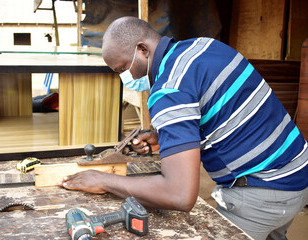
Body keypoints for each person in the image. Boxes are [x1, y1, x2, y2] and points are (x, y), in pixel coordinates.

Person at [58, 16, 308, 240]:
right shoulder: (205, 46)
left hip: (264, 192)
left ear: (143, 50)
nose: (128, 77)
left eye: (123, 68)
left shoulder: (168, 89)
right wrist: (169, 137)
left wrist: (104, 180)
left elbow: (179, 194)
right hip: (297, 172)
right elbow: (222, 114)